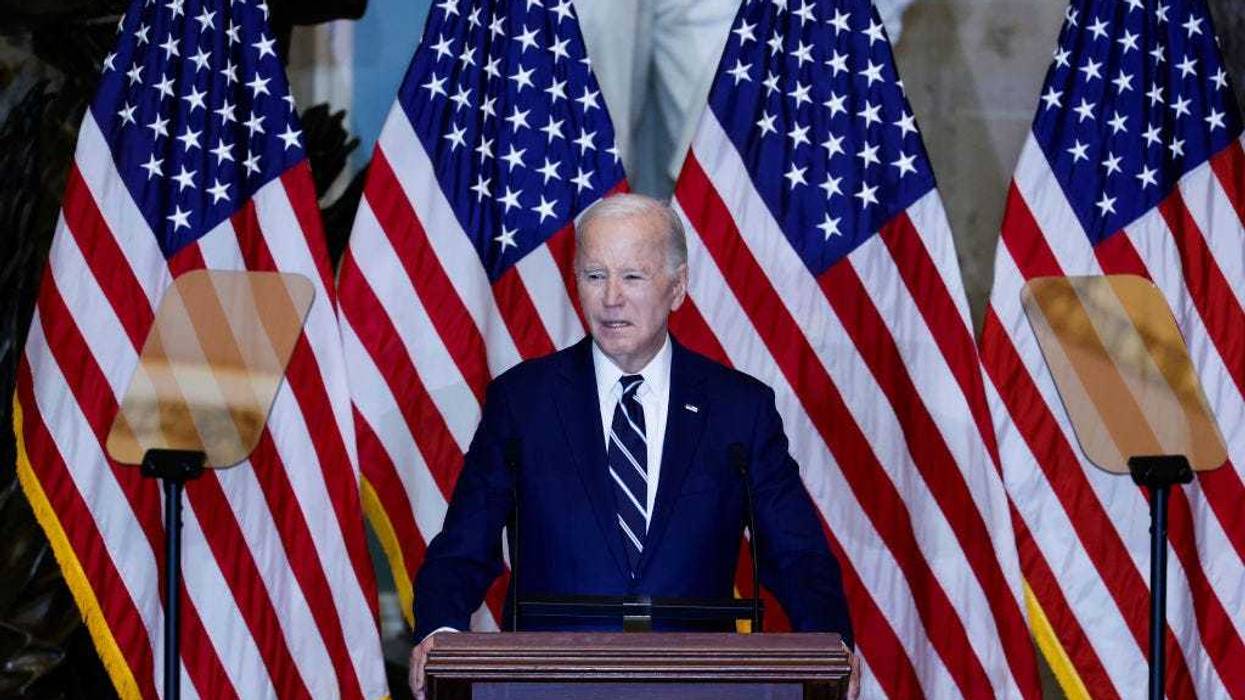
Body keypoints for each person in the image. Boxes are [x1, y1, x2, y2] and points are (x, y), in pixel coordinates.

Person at [408, 194, 857, 698]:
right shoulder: (523, 402)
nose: (611, 298)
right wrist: (439, 636)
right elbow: (463, 548)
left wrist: (830, 642)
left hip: (702, 687)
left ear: (678, 287)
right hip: (546, 685)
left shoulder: (739, 409)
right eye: (594, 276)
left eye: (633, 277)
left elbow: (797, 556)